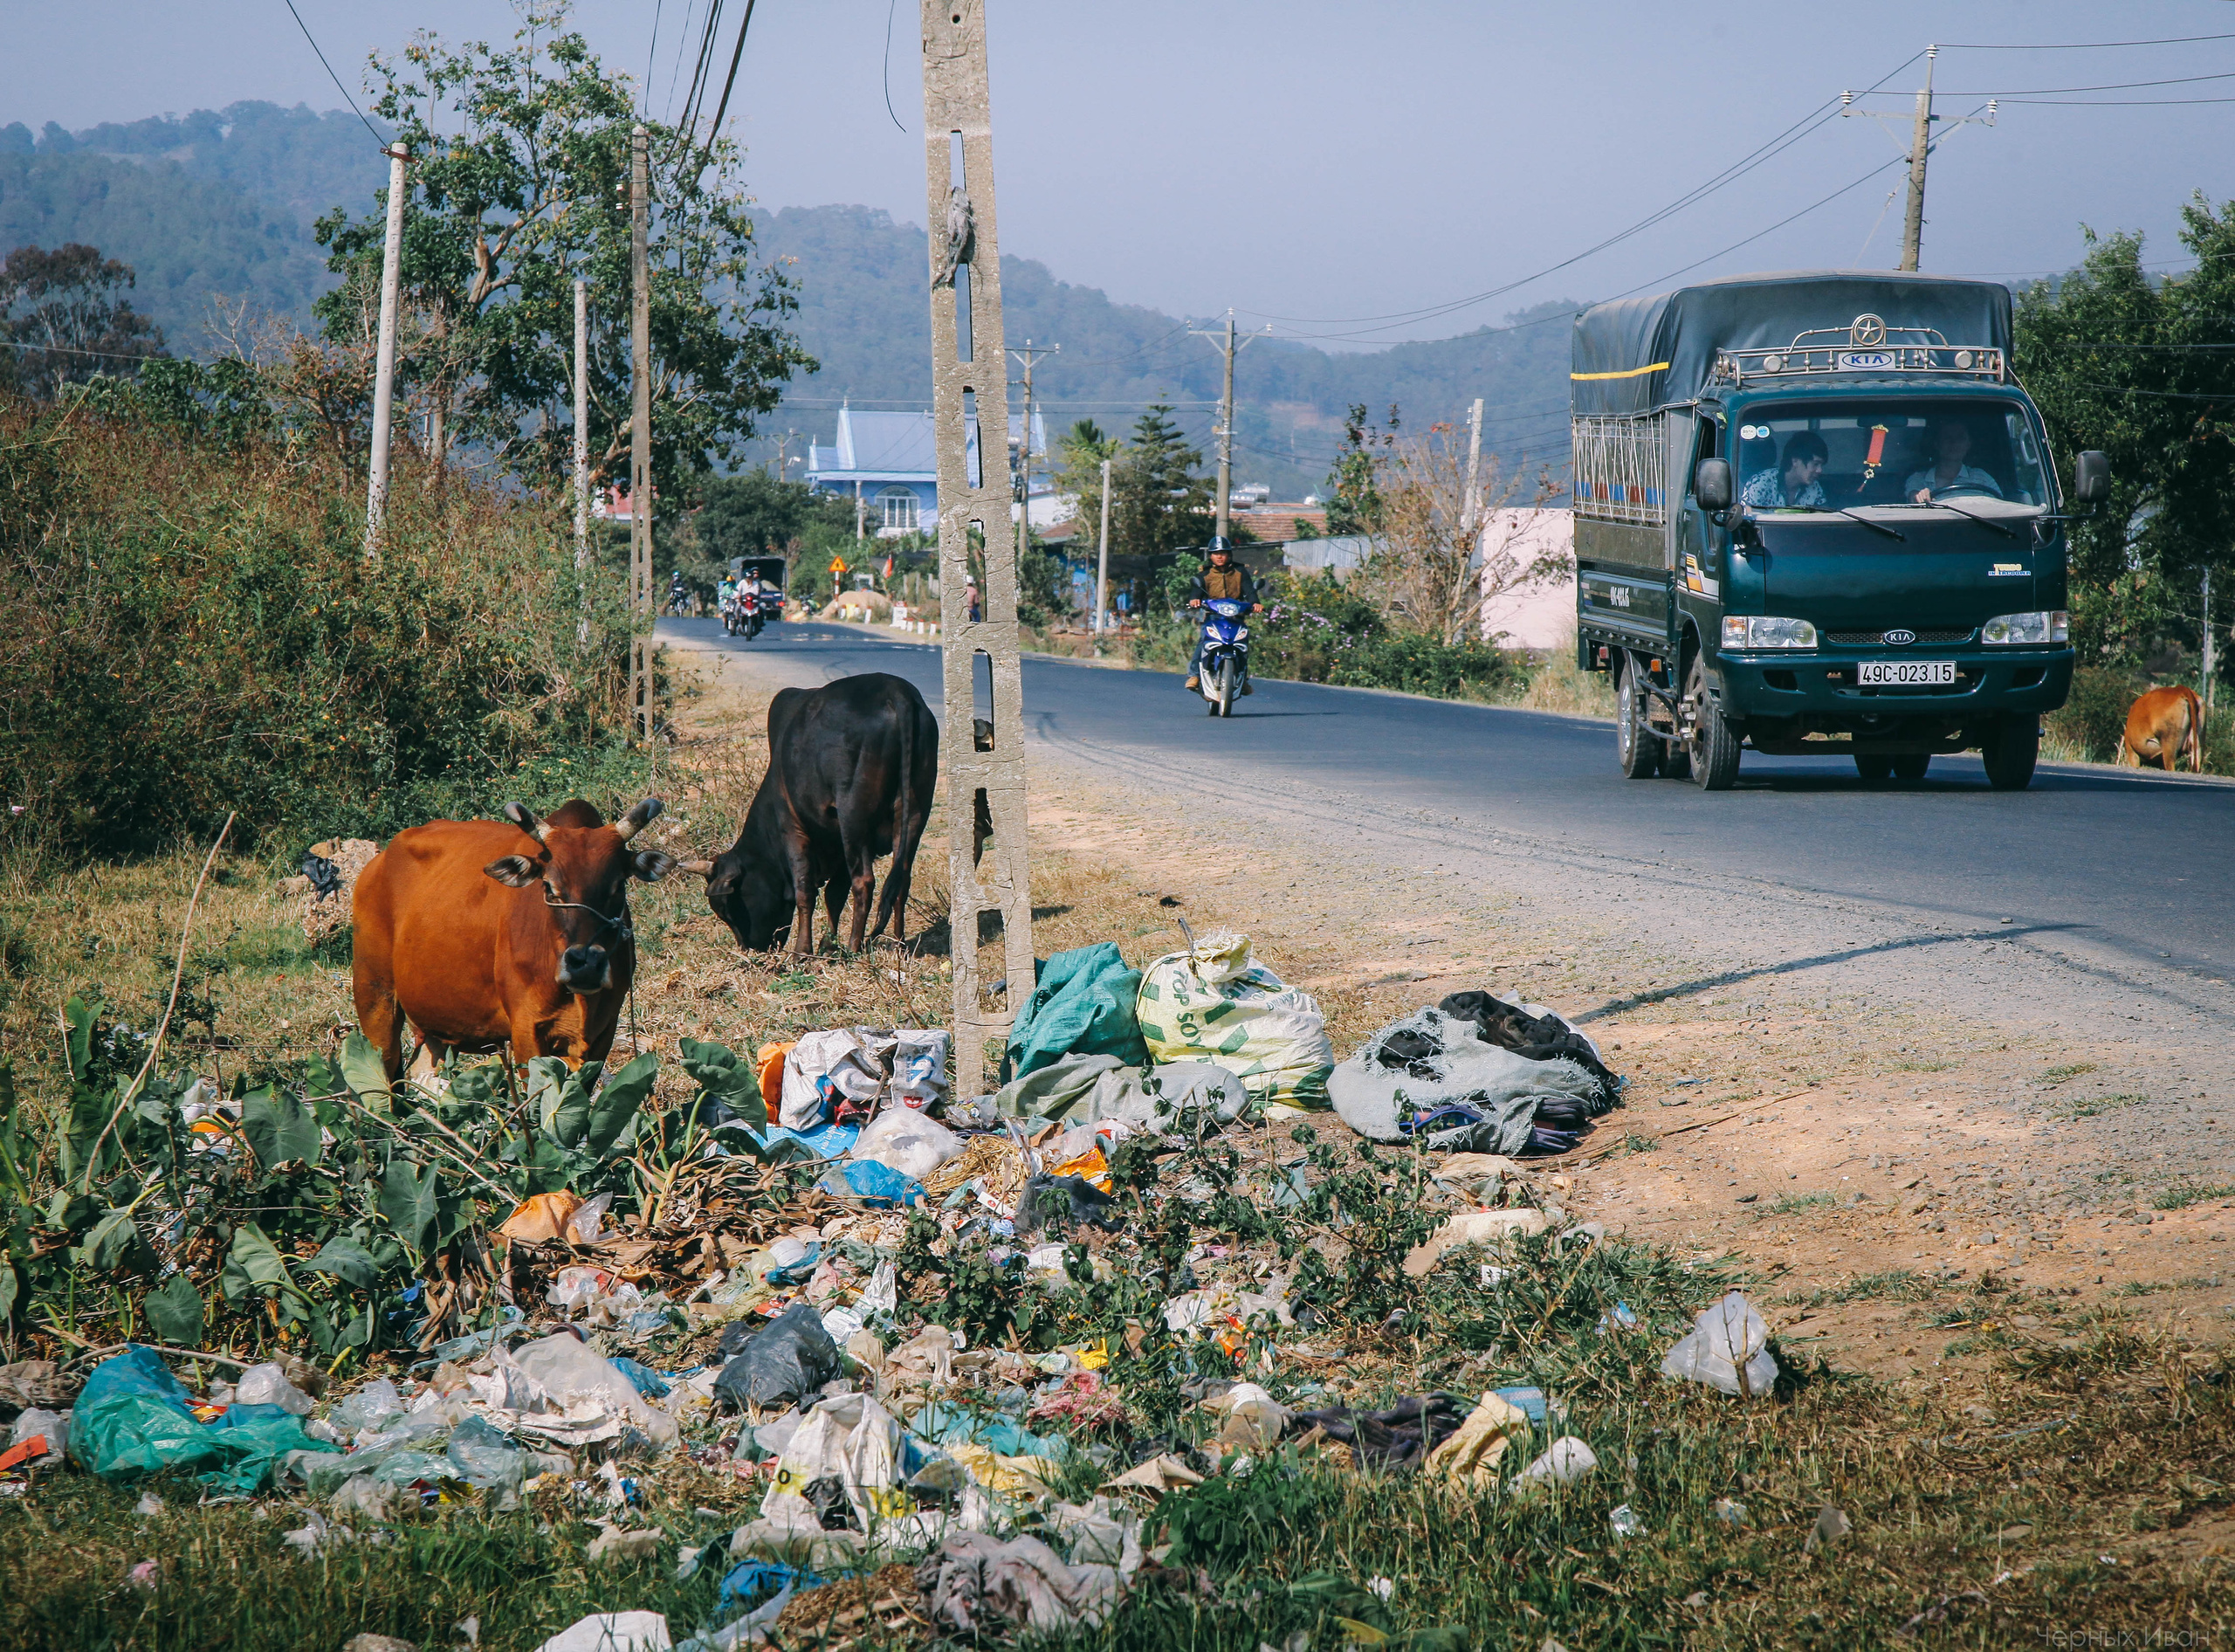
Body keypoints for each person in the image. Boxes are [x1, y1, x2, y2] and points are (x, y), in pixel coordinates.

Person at [1185, 536, 1263, 692]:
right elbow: (1196, 592)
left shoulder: (1240, 572)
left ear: (1229, 555)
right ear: (1211, 556)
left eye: (1223, 553)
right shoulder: (1204, 574)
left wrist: (1255, 603)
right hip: (1214, 617)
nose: (1220, 556)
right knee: (1203, 641)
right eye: (1216, 553)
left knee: (1242, 645)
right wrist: (1194, 600)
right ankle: (1194, 675)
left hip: (1236, 617)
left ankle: (1242, 678)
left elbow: (1249, 590)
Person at [1904, 418, 2002, 503]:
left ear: (1968, 444)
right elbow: (1913, 496)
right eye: (1947, 437)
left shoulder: (1982, 478)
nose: (1954, 443)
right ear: (1937, 444)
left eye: (1960, 438)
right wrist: (1919, 496)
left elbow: (1999, 506)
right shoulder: (1919, 479)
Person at [1739, 431, 1829, 511]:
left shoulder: (1814, 487)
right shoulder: (1760, 484)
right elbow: (1747, 514)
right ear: (1795, 461)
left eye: (1821, 465)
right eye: (1815, 464)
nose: (1819, 470)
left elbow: (1824, 516)